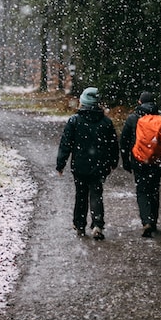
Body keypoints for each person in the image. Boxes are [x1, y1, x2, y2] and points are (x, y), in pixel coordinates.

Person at [56, 87, 119, 240]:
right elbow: (113, 145)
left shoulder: (75, 121)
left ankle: (79, 225)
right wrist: (113, 162)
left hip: (80, 166)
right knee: (97, 194)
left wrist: (61, 164)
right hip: (99, 166)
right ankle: (97, 224)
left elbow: (66, 144)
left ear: (82, 102)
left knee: (81, 195)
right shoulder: (106, 122)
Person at [120, 90, 161, 238]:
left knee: (142, 190)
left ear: (140, 102)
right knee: (154, 189)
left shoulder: (133, 118)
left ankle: (146, 220)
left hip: (139, 160)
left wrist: (125, 160)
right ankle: (153, 221)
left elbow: (124, 142)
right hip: (157, 161)